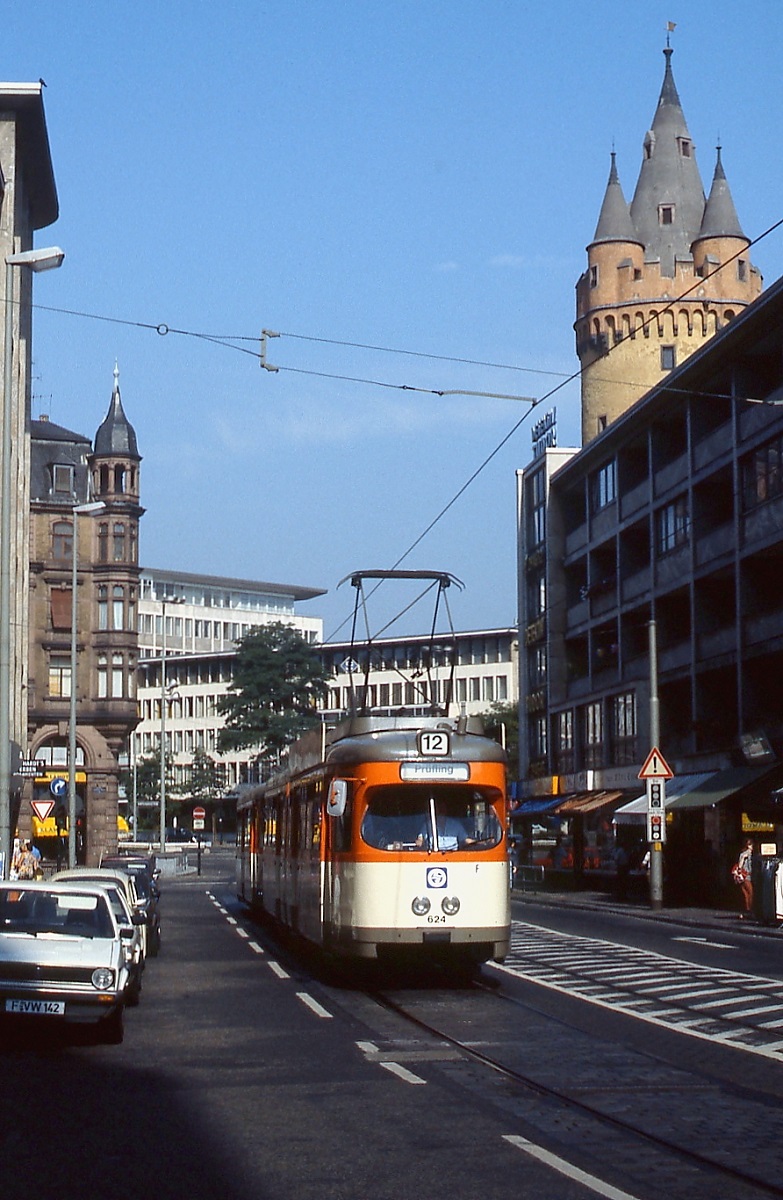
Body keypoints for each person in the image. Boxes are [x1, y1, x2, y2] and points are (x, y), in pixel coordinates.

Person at [735, 838, 754, 918]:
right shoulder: (748, 854)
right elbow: (741, 864)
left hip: (743, 876)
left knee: (745, 894)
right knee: (750, 893)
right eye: (751, 845)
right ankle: (749, 911)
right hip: (747, 876)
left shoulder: (742, 853)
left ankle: (745, 911)